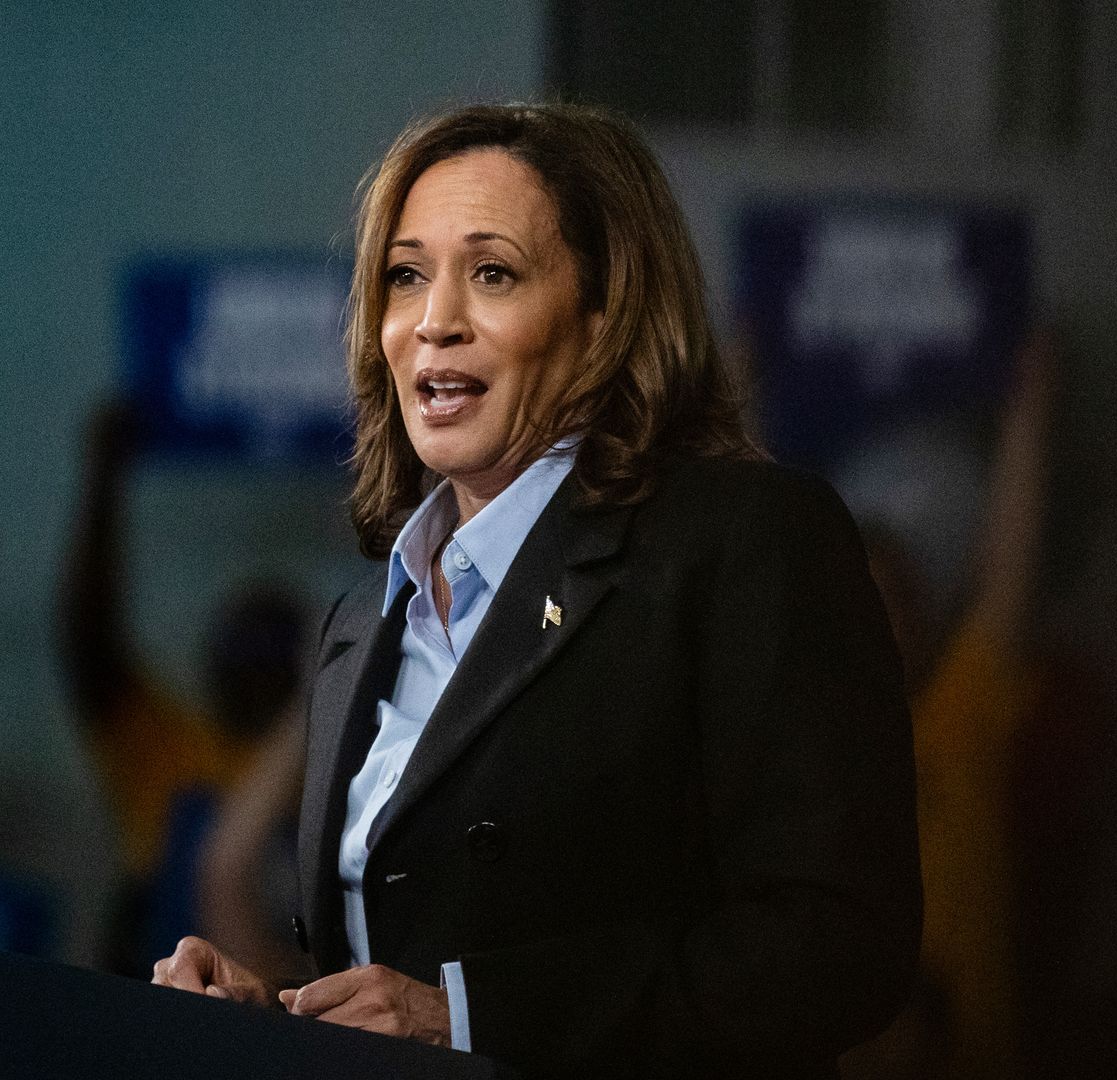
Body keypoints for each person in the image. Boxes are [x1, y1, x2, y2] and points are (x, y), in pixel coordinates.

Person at [152, 103, 922, 1080]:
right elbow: (393, 986)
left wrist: (469, 1016)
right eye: (405, 276)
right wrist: (280, 1012)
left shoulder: (742, 542)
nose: (435, 321)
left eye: (492, 273)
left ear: (604, 317)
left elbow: (840, 944)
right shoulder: (357, 627)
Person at [60, 399, 311, 980]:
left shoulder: (339, 768)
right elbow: (88, 642)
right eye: (242, 652)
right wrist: (102, 482)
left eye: (273, 655)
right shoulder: (169, 749)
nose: (254, 672)